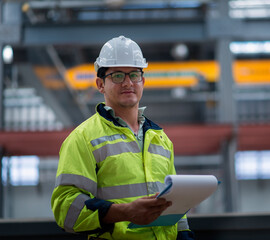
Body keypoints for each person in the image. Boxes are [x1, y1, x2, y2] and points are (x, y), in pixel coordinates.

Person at [51, 35, 195, 240]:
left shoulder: (161, 139)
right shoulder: (83, 138)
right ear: (100, 84)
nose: (128, 82)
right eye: (118, 76)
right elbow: (65, 209)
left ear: (142, 81)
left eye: (134, 75)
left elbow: (176, 210)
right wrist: (124, 212)